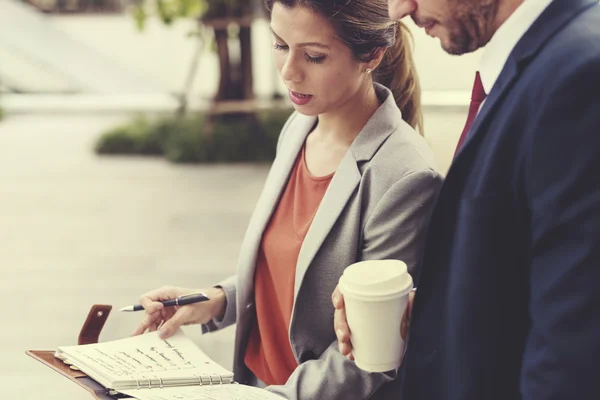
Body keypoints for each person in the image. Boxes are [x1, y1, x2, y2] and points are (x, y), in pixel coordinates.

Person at [133, 0, 443, 399]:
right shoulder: (299, 127)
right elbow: (290, 273)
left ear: (372, 55)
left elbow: (375, 354)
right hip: (258, 383)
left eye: (314, 56)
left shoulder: (406, 177)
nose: (288, 71)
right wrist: (214, 301)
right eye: (280, 45)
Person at [334, 0, 600, 398]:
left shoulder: (580, 76)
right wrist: (431, 311)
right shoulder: (543, 61)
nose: (399, 10)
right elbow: (531, 273)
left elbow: (571, 356)